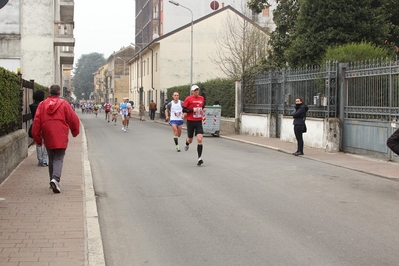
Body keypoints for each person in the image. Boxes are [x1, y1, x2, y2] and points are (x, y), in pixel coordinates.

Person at [31, 84, 80, 193]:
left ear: (49, 91)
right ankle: (55, 179)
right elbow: (73, 119)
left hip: (47, 133)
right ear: (59, 93)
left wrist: (37, 139)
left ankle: (52, 180)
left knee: (51, 157)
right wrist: (75, 131)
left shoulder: (42, 105)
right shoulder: (64, 104)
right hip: (61, 133)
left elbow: (36, 122)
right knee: (59, 157)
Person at [182, 85, 206, 165]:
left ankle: (199, 158)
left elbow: (202, 106)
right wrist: (192, 110)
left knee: (200, 139)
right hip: (190, 121)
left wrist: (203, 109)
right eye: (195, 90)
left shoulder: (201, 98)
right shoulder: (188, 99)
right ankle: (187, 143)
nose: (196, 91)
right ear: (192, 91)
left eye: (197, 90)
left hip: (198, 121)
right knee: (190, 140)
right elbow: (184, 109)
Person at [29, 90, 48, 167]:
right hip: (43, 124)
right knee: (46, 143)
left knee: (38, 142)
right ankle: (44, 159)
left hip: (35, 124)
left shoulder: (31, 106)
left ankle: (40, 159)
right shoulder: (43, 105)